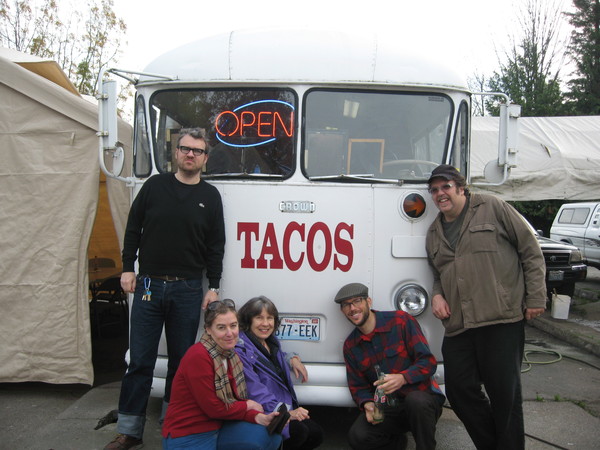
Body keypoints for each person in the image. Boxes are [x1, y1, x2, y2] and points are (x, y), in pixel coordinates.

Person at [105, 128, 226, 450]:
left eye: (197, 151)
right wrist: (128, 268)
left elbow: (216, 246)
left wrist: (213, 286)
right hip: (147, 286)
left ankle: (175, 426)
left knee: (182, 363)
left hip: (188, 289)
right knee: (140, 361)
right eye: (185, 149)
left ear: (205, 158)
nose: (190, 155)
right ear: (176, 152)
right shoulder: (154, 186)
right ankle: (129, 432)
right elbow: (133, 229)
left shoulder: (210, 196)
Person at [425, 164, 546, 450]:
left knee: (505, 396)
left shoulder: (493, 207)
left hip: (500, 318)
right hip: (459, 324)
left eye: (446, 187)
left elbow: (530, 250)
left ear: (460, 187)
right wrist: (437, 295)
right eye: (434, 190)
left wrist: (536, 298)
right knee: (459, 390)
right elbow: (438, 274)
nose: (440, 194)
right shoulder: (433, 232)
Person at [336, 282, 445, 450]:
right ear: (343, 311)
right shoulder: (351, 345)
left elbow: (428, 362)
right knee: (358, 436)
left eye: (357, 301)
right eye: (346, 305)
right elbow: (358, 386)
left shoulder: (401, 321)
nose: (352, 308)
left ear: (369, 302)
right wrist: (367, 404)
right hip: (387, 407)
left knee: (416, 401)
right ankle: (397, 444)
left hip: (421, 402)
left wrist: (403, 378)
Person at [162, 299, 283, 450]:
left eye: (233, 326)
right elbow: (214, 408)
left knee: (272, 436)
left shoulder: (230, 355)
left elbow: (231, 402)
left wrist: (257, 417)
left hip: (217, 426)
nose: (229, 333)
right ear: (208, 329)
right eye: (221, 327)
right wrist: (247, 405)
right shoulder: (198, 355)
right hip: (189, 434)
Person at [235, 296, 324, 450]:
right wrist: (286, 413)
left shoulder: (270, 342)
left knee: (316, 434)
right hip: (266, 412)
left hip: (280, 406)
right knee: (299, 433)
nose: (265, 323)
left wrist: (292, 358)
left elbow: (274, 359)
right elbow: (255, 391)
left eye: (270, 318)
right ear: (248, 321)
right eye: (259, 318)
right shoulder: (241, 351)